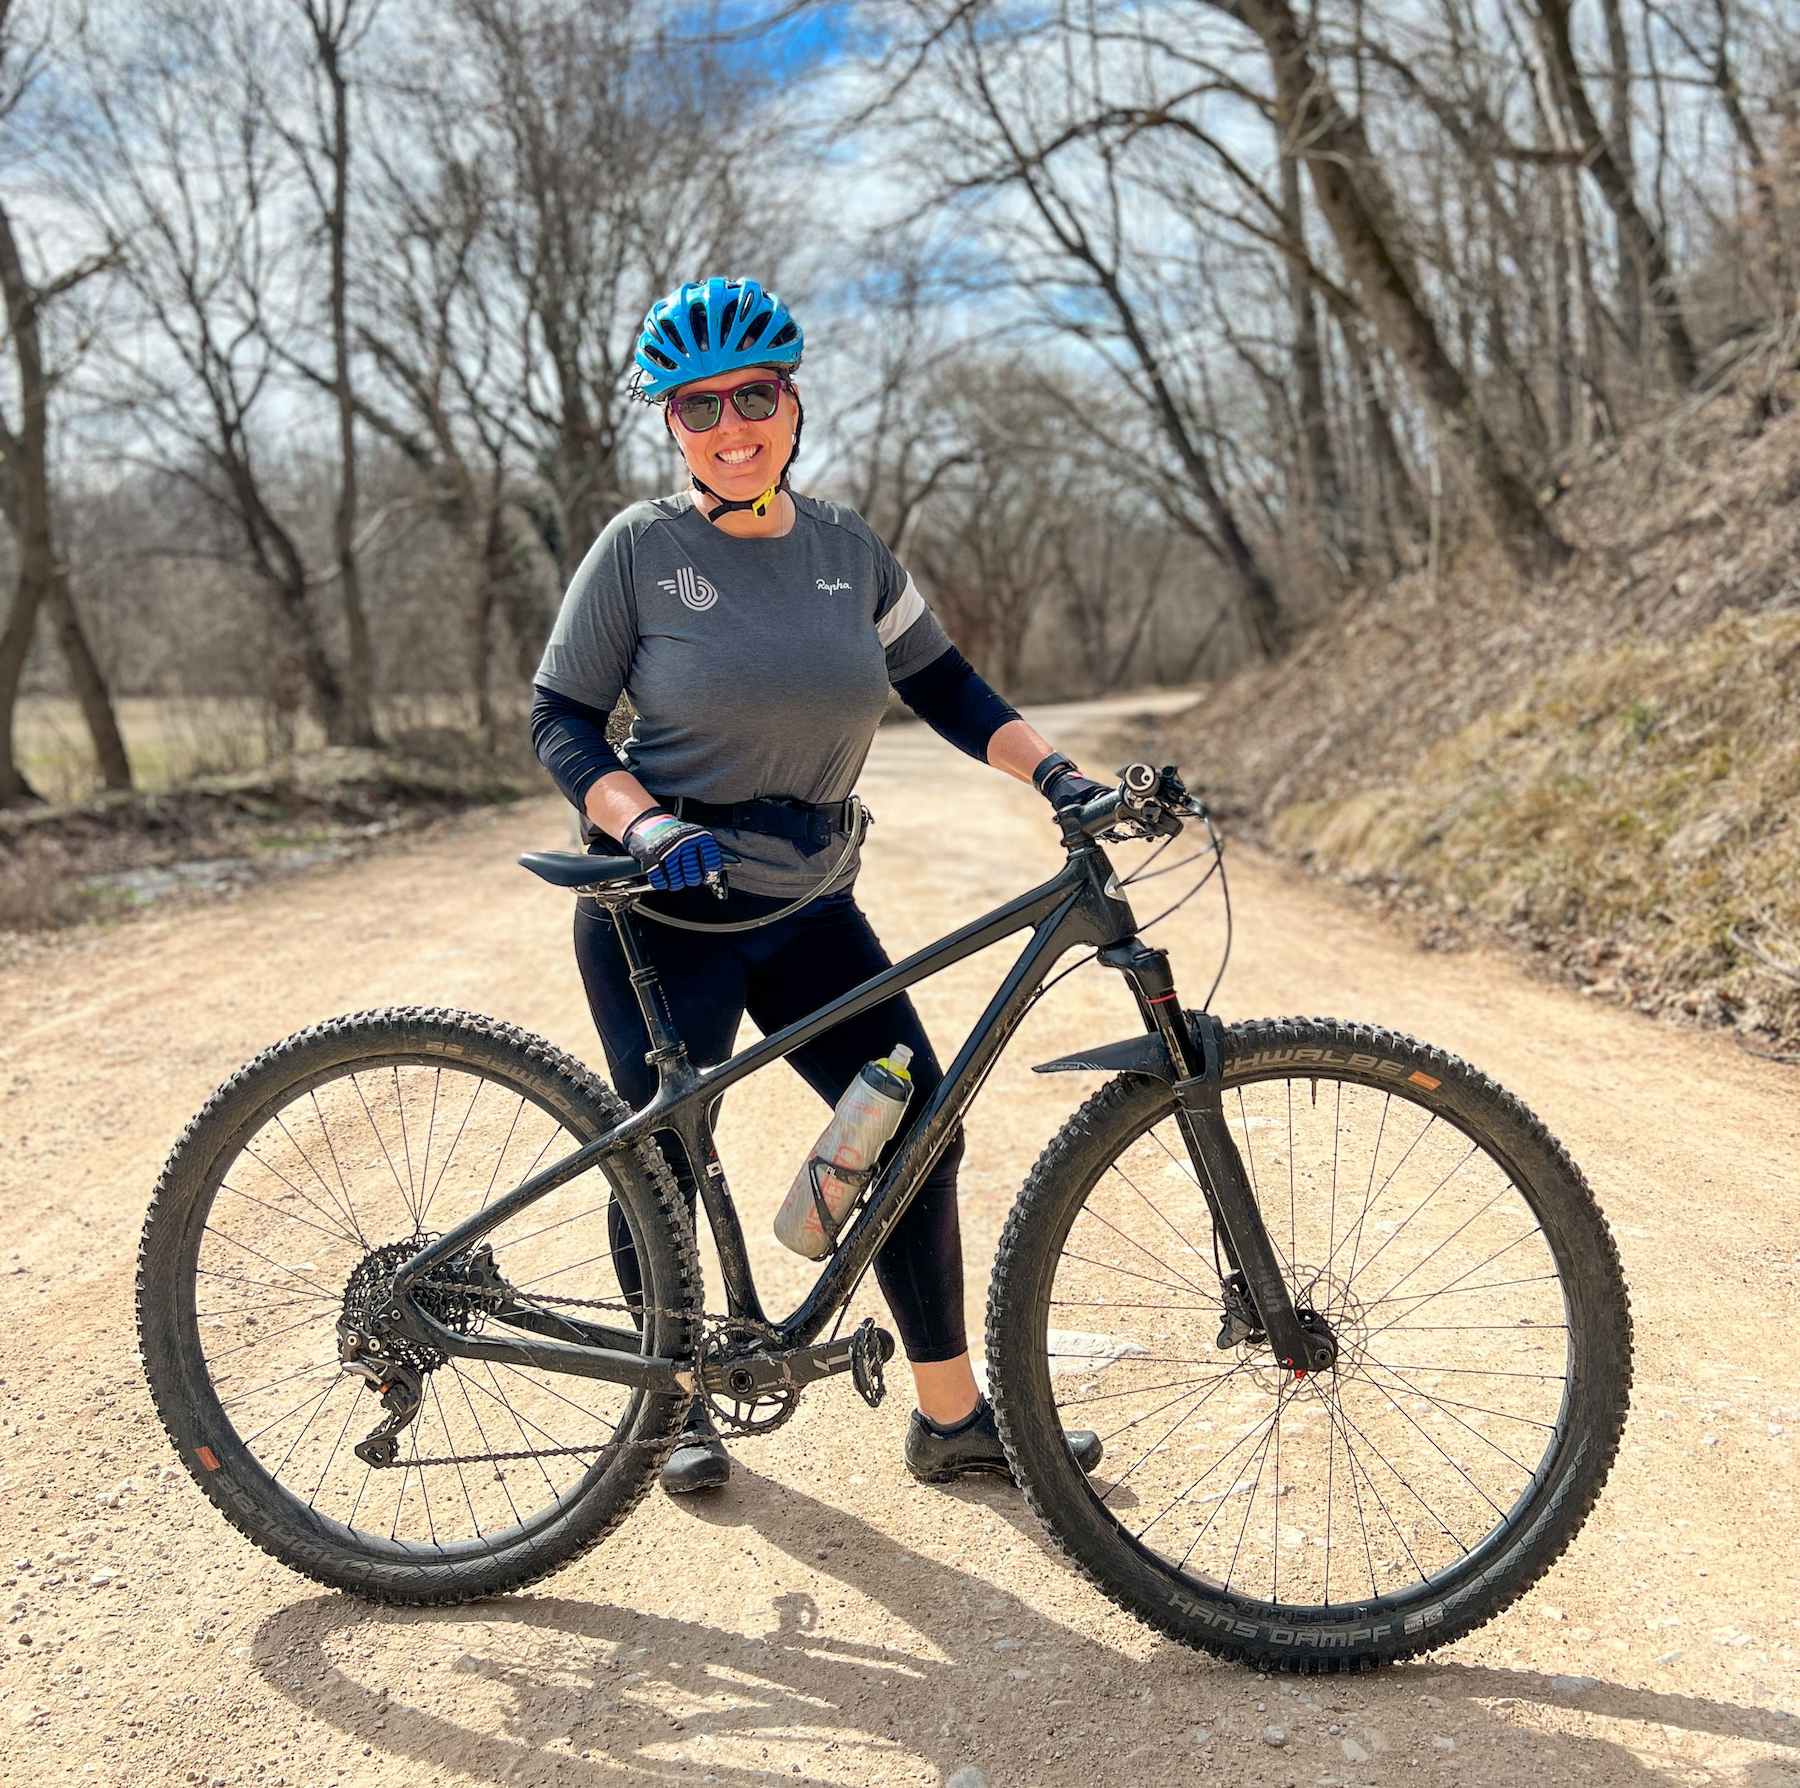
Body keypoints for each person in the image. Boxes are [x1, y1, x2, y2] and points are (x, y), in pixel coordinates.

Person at [532, 275, 1110, 1496]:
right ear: (669, 425)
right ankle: (673, 1406)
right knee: (666, 1160)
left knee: (913, 1130)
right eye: (700, 407)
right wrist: (638, 828)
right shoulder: (638, 553)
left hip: (806, 905)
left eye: (754, 395)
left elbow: (948, 687)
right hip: (664, 910)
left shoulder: (849, 552)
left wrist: (1057, 775)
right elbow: (564, 718)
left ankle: (951, 1420)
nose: (732, 425)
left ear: (793, 404)